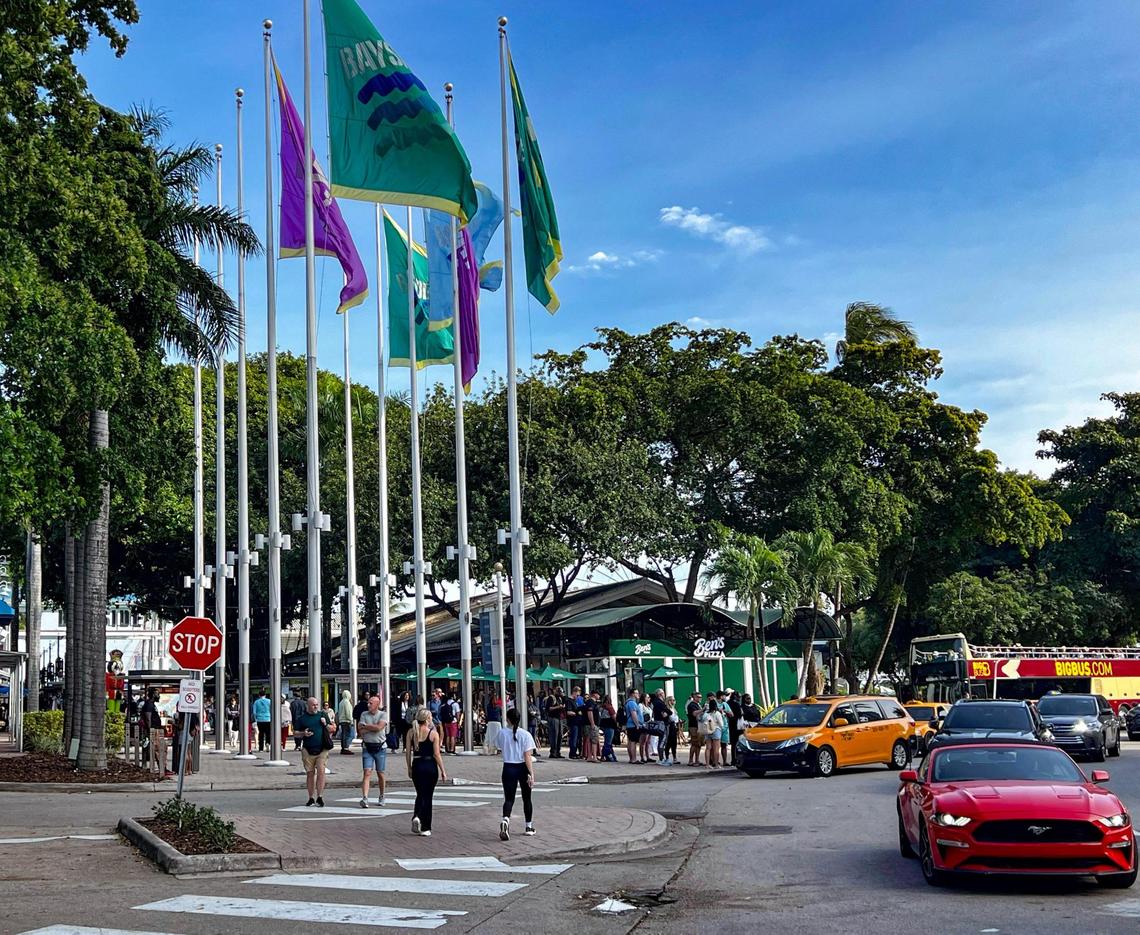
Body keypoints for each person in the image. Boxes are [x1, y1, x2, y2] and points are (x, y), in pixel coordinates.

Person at [405, 706, 447, 836]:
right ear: (427, 719)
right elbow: (436, 754)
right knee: (428, 796)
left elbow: (408, 752)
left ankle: (417, 815)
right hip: (430, 766)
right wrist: (443, 770)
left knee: (420, 793)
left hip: (417, 764)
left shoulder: (411, 732)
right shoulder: (433, 734)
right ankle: (426, 827)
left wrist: (409, 767)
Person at [499, 706, 537, 840]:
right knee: (527, 798)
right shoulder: (525, 734)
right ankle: (528, 826)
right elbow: (527, 756)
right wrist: (531, 773)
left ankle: (505, 819)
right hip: (522, 767)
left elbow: (498, 747)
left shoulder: (502, 733)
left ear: (508, 719)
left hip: (508, 766)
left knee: (509, 798)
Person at [295, 696, 335, 806]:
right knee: (310, 773)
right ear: (308, 706)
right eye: (313, 705)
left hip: (322, 748)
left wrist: (325, 724)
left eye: (317, 704)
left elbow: (332, 729)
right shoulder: (302, 718)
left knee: (321, 771)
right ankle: (311, 797)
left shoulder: (322, 715)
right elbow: (295, 733)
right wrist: (303, 733)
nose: (316, 707)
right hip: (308, 749)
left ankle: (320, 796)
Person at [357, 694, 388, 807]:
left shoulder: (383, 714)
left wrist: (366, 726)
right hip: (367, 747)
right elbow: (360, 731)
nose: (368, 705)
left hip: (380, 747)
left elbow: (379, 728)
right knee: (367, 772)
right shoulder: (364, 714)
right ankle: (365, 798)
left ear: (377, 704)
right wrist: (371, 727)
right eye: (368, 703)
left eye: (371, 703)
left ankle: (382, 795)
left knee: (380, 772)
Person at [139, 689, 165, 776]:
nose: (159, 696)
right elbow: (148, 718)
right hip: (153, 730)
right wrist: (151, 730)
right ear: (153, 695)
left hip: (156, 729)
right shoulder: (149, 705)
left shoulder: (152, 704)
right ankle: (161, 768)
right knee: (157, 749)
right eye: (157, 694)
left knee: (158, 748)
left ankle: (161, 767)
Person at [172, 709, 200, 775]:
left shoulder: (184, 714)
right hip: (190, 734)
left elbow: (181, 726)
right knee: (189, 753)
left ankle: (184, 770)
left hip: (183, 734)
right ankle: (189, 770)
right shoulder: (193, 714)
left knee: (184, 753)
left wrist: (173, 724)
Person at [701, 697, 724, 769]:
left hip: (707, 731)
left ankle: (707, 764)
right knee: (716, 749)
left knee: (708, 748)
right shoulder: (717, 713)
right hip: (716, 730)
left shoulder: (706, 714)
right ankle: (716, 764)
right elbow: (721, 724)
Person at [543, 686, 566, 758]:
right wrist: (558, 707)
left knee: (560, 735)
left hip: (560, 718)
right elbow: (548, 708)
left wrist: (563, 699)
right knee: (554, 735)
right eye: (559, 692)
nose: (560, 693)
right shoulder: (551, 698)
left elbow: (565, 702)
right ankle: (553, 752)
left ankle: (558, 752)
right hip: (553, 718)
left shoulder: (560, 698)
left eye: (561, 692)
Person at [651, 689, 671, 764]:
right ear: (660, 694)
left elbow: (667, 711)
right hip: (662, 724)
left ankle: (662, 758)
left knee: (662, 740)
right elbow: (669, 711)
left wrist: (667, 712)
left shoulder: (657, 702)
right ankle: (661, 758)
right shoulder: (659, 702)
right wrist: (667, 712)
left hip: (661, 723)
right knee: (662, 740)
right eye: (663, 693)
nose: (664, 695)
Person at [624, 689, 643, 763]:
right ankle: (633, 759)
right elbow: (633, 714)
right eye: (636, 693)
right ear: (632, 694)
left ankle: (631, 758)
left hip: (630, 725)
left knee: (630, 741)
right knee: (633, 742)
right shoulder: (632, 703)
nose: (638, 694)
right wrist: (637, 724)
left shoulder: (628, 702)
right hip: (633, 725)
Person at [582, 689, 600, 763]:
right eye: (598, 694)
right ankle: (594, 757)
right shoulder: (591, 702)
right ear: (594, 694)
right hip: (591, 724)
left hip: (588, 724)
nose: (599, 696)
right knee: (594, 740)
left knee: (589, 740)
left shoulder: (589, 702)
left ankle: (589, 756)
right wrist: (592, 724)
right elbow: (590, 712)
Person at [599, 694, 618, 762]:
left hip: (603, 725)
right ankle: (609, 756)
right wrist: (617, 724)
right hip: (610, 725)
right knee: (608, 743)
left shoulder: (601, 707)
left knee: (607, 741)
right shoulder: (609, 707)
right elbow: (614, 717)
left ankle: (604, 756)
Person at [686, 692, 703, 766]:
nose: (700, 698)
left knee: (698, 744)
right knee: (694, 743)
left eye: (700, 697)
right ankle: (690, 760)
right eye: (698, 697)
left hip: (698, 725)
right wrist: (703, 710)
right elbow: (694, 713)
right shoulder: (691, 705)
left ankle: (697, 760)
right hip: (693, 726)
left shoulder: (698, 705)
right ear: (694, 697)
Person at [567, 686, 584, 759]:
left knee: (578, 738)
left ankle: (577, 752)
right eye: (577, 694)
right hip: (573, 722)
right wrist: (576, 713)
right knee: (574, 738)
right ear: (574, 692)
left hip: (579, 721)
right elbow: (568, 712)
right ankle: (572, 753)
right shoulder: (569, 701)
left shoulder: (575, 700)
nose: (578, 696)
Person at [337, 689, 356, 754]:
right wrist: (351, 720)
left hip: (342, 720)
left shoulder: (341, 702)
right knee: (350, 735)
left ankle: (343, 748)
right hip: (347, 720)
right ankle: (346, 748)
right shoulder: (347, 702)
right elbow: (348, 712)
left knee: (344, 735)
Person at [663, 695, 680, 766]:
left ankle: (674, 757)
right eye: (672, 700)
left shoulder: (673, 709)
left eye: (674, 700)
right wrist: (675, 719)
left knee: (674, 742)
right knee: (669, 742)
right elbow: (672, 718)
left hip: (674, 726)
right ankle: (667, 757)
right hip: (669, 726)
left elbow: (676, 718)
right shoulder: (667, 709)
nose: (674, 702)